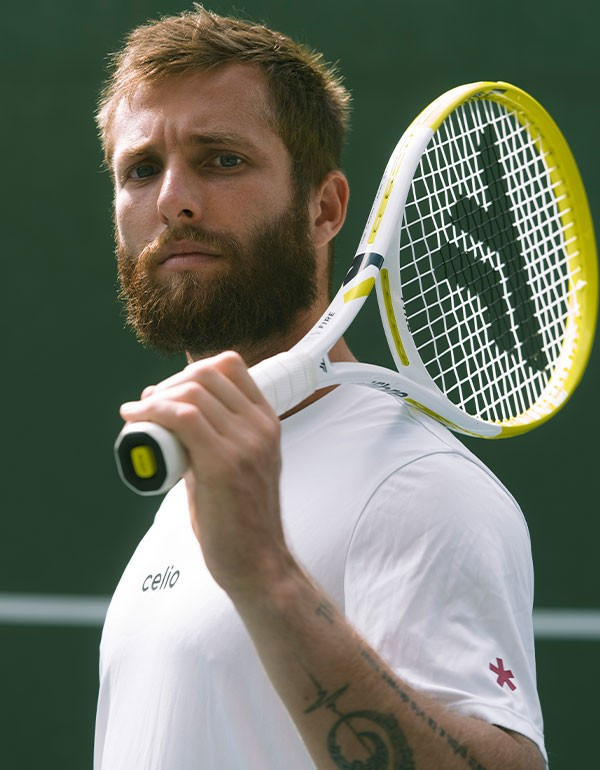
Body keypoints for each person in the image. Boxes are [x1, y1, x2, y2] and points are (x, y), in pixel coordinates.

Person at [94, 6, 547, 769]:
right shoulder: (204, 480)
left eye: (221, 159)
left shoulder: (418, 485)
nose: (174, 199)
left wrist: (266, 576)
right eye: (141, 169)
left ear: (325, 207)